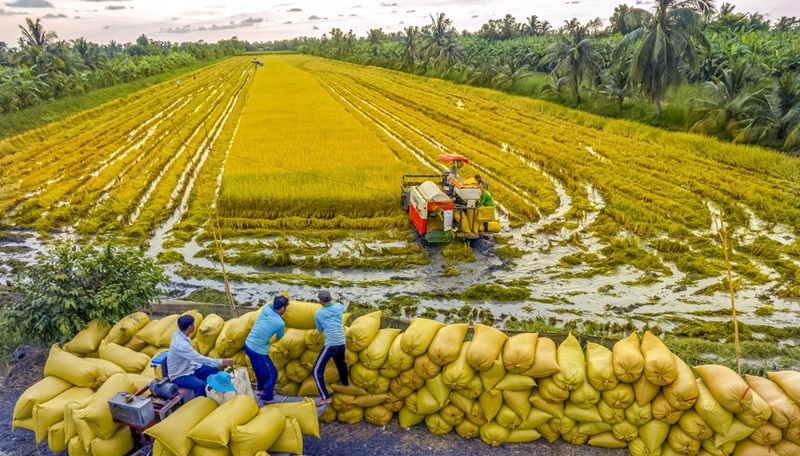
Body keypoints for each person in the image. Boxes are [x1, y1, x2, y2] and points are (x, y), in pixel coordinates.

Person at [167, 315, 233, 398]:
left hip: (190, 366)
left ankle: (219, 394)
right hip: (180, 375)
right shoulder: (181, 345)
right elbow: (200, 359)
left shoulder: (178, 334)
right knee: (200, 385)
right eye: (193, 323)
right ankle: (202, 402)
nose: (195, 325)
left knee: (214, 370)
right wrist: (222, 361)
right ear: (190, 327)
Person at [244, 295, 289, 404]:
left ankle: (261, 390)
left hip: (248, 344)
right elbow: (279, 337)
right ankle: (267, 398)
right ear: (282, 308)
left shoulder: (266, 309)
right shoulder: (280, 323)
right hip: (258, 350)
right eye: (286, 307)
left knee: (259, 370)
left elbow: (270, 303)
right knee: (272, 373)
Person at [312, 290, 349, 405]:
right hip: (341, 342)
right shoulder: (339, 307)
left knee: (316, 370)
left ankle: (325, 396)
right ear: (331, 297)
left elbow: (320, 329)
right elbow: (344, 310)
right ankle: (345, 382)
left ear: (320, 301)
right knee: (341, 363)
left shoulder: (318, 313)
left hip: (331, 345)